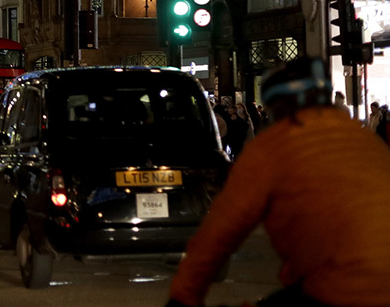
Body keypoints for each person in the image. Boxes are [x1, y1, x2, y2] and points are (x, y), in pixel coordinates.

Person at [165, 56, 390, 307]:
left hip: (338, 288)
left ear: (277, 106)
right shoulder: (366, 142)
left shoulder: (273, 148)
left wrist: (182, 298)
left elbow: (219, 232)